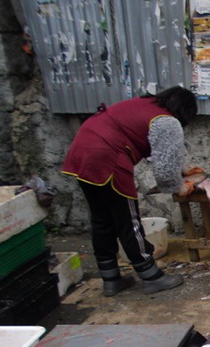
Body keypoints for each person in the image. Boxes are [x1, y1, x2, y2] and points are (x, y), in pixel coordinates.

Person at [62, 86, 198, 296]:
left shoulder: (145, 106)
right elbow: (164, 172)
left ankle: (111, 279)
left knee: (102, 219)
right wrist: (178, 186)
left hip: (82, 152)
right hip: (106, 159)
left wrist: (181, 169)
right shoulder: (167, 121)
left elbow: (159, 153)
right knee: (129, 221)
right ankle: (151, 277)